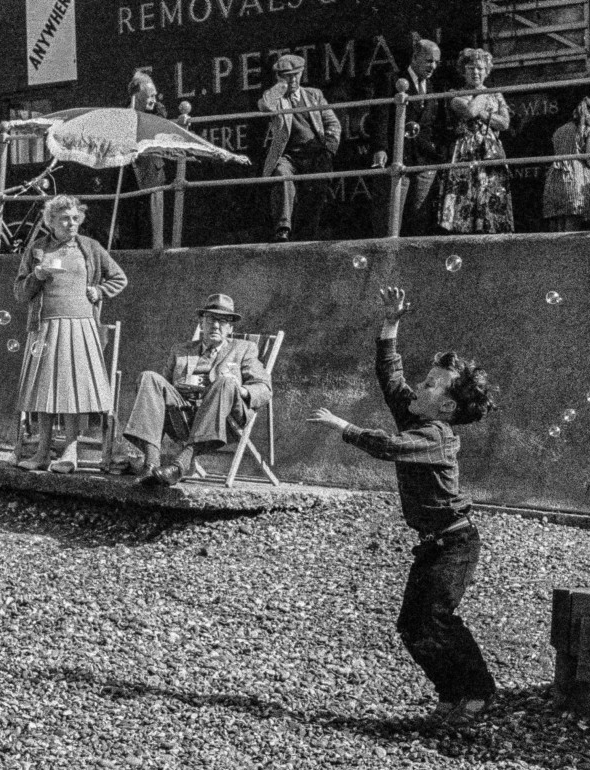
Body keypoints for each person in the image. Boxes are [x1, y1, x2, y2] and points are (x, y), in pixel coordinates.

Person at [308, 286, 496, 728]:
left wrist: (344, 426)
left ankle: (478, 692)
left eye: (430, 384)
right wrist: (390, 324)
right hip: (433, 544)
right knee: (412, 627)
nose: (419, 384)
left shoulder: (435, 436)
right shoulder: (419, 416)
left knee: (435, 618)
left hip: (456, 543)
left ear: (447, 405)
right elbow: (390, 379)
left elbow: (390, 446)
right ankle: (452, 696)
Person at [14, 196, 128, 474]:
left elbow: (119, 278)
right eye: (65, 218)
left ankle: (70, 450)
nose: (71, 223)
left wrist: (99, 291)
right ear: (50, 221)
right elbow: (20, 292)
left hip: (80, 325)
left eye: (76, 218)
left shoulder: (90, 247)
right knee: (44, 389)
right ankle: (42, 452)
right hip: (45, 326)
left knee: (72, 389)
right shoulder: (37, 249)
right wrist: (36, 276)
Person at [122, 293, 271, 487]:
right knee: (149, 377)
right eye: (210, 319)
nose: (215, 326)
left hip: (224, 418)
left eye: (222, 321)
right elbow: (160, 388)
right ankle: (151, 464)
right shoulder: (181, 350)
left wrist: (239, 389)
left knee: (224, 382)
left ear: (230, 328)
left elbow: (264, 389)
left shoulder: (244, 349)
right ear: (201, 323)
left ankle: (181, 463)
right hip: (183, 417)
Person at [368, 35, 449, 237]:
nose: (433, 67)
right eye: (429, 61)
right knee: (390, 219)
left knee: (419, 219)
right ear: (415, 57)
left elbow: (434, 123)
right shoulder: (392, 79)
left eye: (436, 62)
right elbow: (380, 116)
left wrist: (436, 154)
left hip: (424, 162)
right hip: (398, 158)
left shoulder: (432, 86)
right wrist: (380, 148)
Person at [258, 54, 342, 242]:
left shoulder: (314, 95)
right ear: (279, 77)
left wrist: (328, 149)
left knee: (316, 191)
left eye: (296, 75)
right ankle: (283, 228)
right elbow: (264, 106)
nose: (293, 80)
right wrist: (279, 88)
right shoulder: (277, 98)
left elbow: (333, 123)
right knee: (281, 174)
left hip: (315, 154)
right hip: (288, 156)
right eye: (287, 75)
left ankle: (307, 235)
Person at [438, 48, 514, 234]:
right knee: (464, 200)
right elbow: (468, 111)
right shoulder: (454, 93)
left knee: (491, 197)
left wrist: (480, 109)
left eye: (480, 68)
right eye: (471, 67)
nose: (476, 72)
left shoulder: (496, 93)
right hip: (465, 150)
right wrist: (483, 97)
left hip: (490, 151)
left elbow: (504, 123)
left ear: (487, 71)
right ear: (463, 70)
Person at [542, 98, 590, 231]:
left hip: (556, 175)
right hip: (577, 177)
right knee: (574, 222)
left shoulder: (559, 131)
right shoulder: (588, 130)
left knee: (559, 224)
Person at [126, 71, 171, 250]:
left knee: (153, 229)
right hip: (129, 176)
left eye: (154, 95)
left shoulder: (158, 110)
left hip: (152, 175)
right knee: (130, 226)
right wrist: (132, 103)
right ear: (138, 94)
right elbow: (124, 122)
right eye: (150, 95)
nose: (153, 99)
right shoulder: (124, 109)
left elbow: (161, 121)